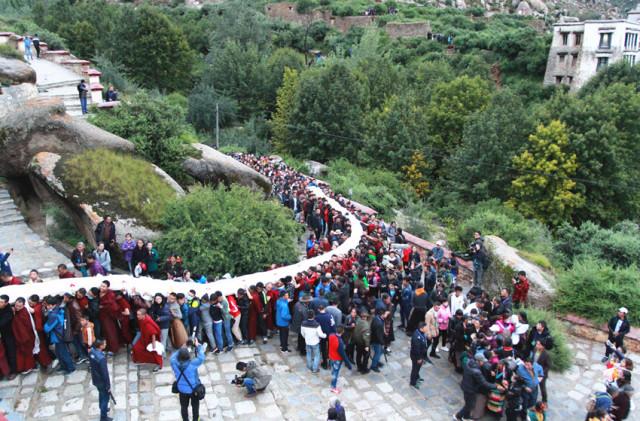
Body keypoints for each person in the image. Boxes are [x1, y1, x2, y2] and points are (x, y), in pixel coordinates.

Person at [453, 353, 499, 421]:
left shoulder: (468, 362)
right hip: (470, 390)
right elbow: (484, 383)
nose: (483, 362)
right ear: (478, 361)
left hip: (466, 385)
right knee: (469, 405)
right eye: (482, 361)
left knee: (469, 403)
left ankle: (466, 417)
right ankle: (457, 416)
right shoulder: (476, 372)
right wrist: (496, 386)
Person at [171, 340, 205, 421]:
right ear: (188, 356)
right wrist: (198, 346)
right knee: (195, 407)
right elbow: (201, 357)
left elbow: (172, 357)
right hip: (193, 390)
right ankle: (196, 419)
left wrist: (182, 348)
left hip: (182, 390)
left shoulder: (174, 363)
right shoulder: (192, 364)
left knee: (184, 407)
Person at [44, 296, 75, 375]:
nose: (46, 306)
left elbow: (47, 328)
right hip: (62, 334)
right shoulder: (59, 309)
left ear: (51, 305)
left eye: (46, 305)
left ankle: (70, 368)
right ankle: (64, 366)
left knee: (63, 353)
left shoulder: (53, 315)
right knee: (59, 352)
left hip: (58, 337)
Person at [11, 297, 37, 374]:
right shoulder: (17, 311)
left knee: (27, 353)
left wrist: (23, 339)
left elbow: (26, 327)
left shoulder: (24, 313)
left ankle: (29, 367)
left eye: (19, 306)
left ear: (23, 306)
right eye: (16, 305)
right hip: (19, 337)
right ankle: (22, 368)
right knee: (21, 354)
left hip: (25, 338)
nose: (17, 307)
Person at [89, 339, 112, 421]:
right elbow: (105, 374)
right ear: (100, 346)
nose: (105, 344)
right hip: (102, 381)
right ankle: (103, 417)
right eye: (104, 343)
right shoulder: (101, 359)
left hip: (95, 379)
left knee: (101, 394)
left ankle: (103, 408)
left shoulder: (91, 352)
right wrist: (108, 386)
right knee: (105, 398)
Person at [327, 325, 352, 394]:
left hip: (331, 356)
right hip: (337, 359)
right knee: (335, 373)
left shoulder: (331, 335)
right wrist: (348, 364)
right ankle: (333, 387)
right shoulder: (339, 342)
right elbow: (343, 354)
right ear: (342, 332)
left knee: (333, 370)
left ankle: (333, 379)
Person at [0, 295, 17, 379]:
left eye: (1, 302)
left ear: (6, 303)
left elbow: (3, 323)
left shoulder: (8, 311)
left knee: (11, 353)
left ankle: (13, 371)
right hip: (2, 336)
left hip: (9, 335)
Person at [410, 322, 429, 388]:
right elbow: (416, 349)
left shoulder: (421, 333)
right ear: (421, 328)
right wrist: (419, 358)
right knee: (415, 369)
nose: (427, 329)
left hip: (421, 354)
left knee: (418, 368)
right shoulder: (416, 337)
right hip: (416, 356)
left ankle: (417, 377)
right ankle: (413, 382)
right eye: (425, 328)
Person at [369, 308, 385, 372]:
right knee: (377, 353)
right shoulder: (379, 324)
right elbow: (378, 335)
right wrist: (382, 342)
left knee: (380, 352)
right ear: (382, 315)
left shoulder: (376, 318)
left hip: (374, 339)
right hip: (377, 341)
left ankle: (377, 361)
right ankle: (373, 366)